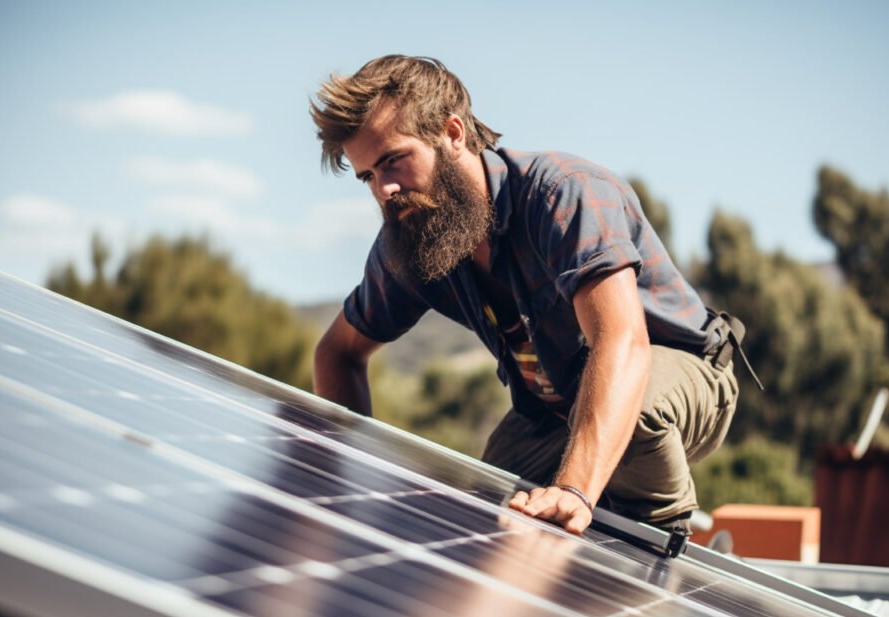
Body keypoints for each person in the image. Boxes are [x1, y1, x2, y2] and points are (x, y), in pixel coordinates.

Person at [309, 55, 748, 535]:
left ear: (452, 133)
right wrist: (350, 469)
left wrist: (573, 490)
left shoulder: (563, 193)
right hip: (556, 408)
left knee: (635, 418)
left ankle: (659, 542)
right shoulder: (411, 241)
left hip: (682, 373)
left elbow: (622, 341)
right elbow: (337, 354)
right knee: (485, 505)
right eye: (367, 176)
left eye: (393, 160)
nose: (384, 190)